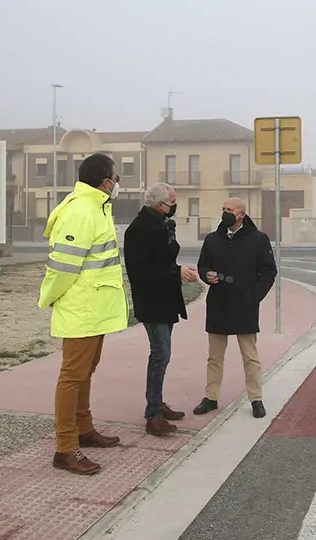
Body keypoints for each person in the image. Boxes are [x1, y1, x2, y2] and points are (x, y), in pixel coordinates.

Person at [38, 153, 129, 475]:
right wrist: (48, 298)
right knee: (73, 376)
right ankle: (65, 448)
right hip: (81, 307)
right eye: (117, 179)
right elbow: (63, 266)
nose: (118, 184)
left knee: (86, 371)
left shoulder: (96, 208)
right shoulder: (80, 212)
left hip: (95, 307)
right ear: (105, 182)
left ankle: (83, 429)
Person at [123, 183, 199, 436]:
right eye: (172, 202)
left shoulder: (163, 224)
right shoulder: (140, 229)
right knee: (160, 354)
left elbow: (165, 258)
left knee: (162, 355)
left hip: (165, 299)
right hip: (151, 301)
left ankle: (157, 403)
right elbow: (141, 271)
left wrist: (177, 271)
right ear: (159, 204)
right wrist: (176, 272)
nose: (175, 207)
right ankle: (152, 414)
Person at [193, 197, 277, 419]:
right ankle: (211, 397)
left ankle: (256, 398)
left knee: (250, 356)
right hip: (218, 303)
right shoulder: (212, 239)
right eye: (223, 209)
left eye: (229, 210)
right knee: (214, 356)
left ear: (241, 214)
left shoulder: (258, 239)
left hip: (245, 305)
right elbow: (203, 265)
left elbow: (269, 272)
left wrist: (254, 296)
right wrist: (206, 275)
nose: (225, 213)